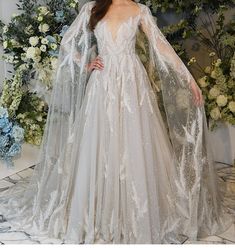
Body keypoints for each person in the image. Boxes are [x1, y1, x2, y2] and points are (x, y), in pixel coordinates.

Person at [0, 0, 234, 244]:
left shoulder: (139, 10)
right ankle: (97, 211)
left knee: (134, 145)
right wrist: (86, 63)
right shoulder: (93, 8)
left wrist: (189, 79)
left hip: (132, 87)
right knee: (98, 144)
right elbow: (67, 42)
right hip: (102, 86)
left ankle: (137, 214)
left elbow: (161, 47)